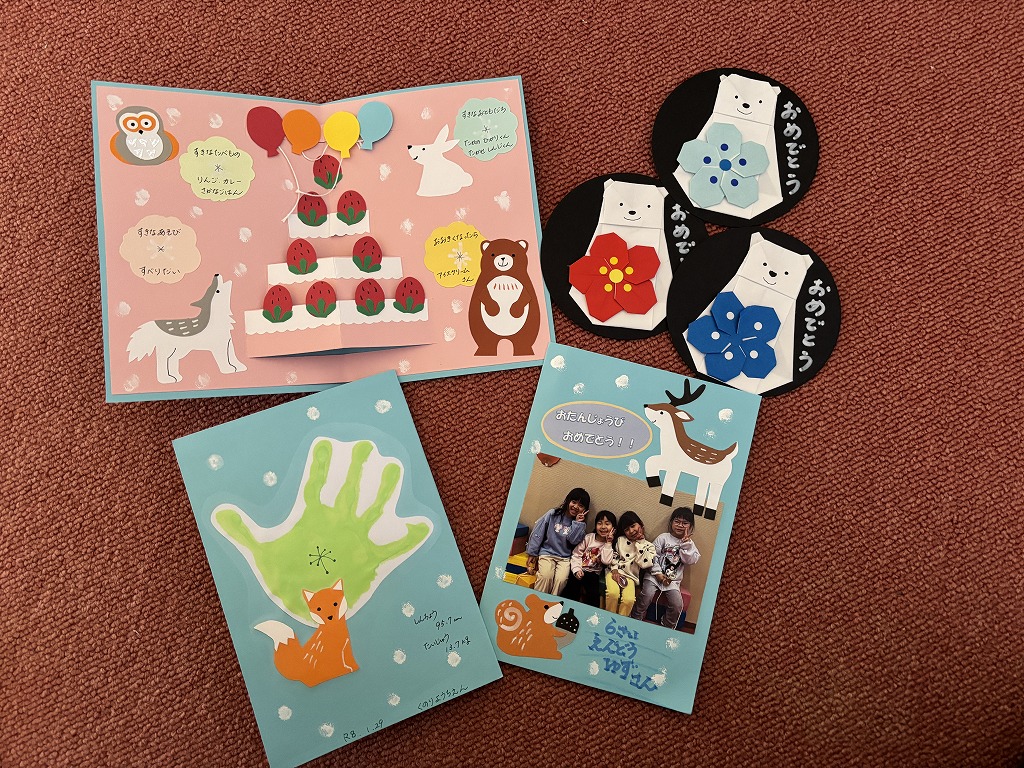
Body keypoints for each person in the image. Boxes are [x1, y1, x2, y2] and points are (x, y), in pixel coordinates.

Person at [631, 507, 700, 628]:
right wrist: (657, 573)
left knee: (677, 605)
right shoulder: (663, 537)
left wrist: (686, 545)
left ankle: (667, 626)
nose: (680, 525)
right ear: (671, 522)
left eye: (685, 523)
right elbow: (652, 556)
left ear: (690, 526)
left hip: (672, 581)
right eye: (677, 521)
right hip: (653, 576)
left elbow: (690, 560)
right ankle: (636, 617)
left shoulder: (689, 544)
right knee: (646, 595)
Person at [525, 488, 590, 596]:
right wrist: (532, 552)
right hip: (547, 553)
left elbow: (573, 541)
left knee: (561, 580)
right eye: (574, 502)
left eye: (581, 505)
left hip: (564, 558)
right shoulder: (553, 514)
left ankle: (552, 603)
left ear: (585, 509)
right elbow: (538, 532)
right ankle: (537, 600)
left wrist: (577, 523)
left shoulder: (580, 526)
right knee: (546, 577)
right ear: (568, 501)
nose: (576, 507)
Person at [604, 511, 655, 616]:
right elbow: (614, 556)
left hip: (631, 577)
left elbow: (644, 564)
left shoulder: (649, 546)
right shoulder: (620, 540)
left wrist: (640, 543)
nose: (631, 531)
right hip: (614, 572)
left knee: (629, 600)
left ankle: (621, 621)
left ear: (640, 525)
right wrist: (614, 570)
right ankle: (608, 617)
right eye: (627, 529)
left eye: (633, 526)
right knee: (613, 594)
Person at [561, 510, 616, 606]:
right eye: (600, 523)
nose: (603, 527)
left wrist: (608, 543)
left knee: (593, 596)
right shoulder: (589, 538)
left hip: (593, 574)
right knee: (571, 589)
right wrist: (576, 569)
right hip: (579, 568)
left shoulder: (610, 545)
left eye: (607, 524)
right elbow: (576, 554)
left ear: (613, 528)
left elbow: (606, 561)